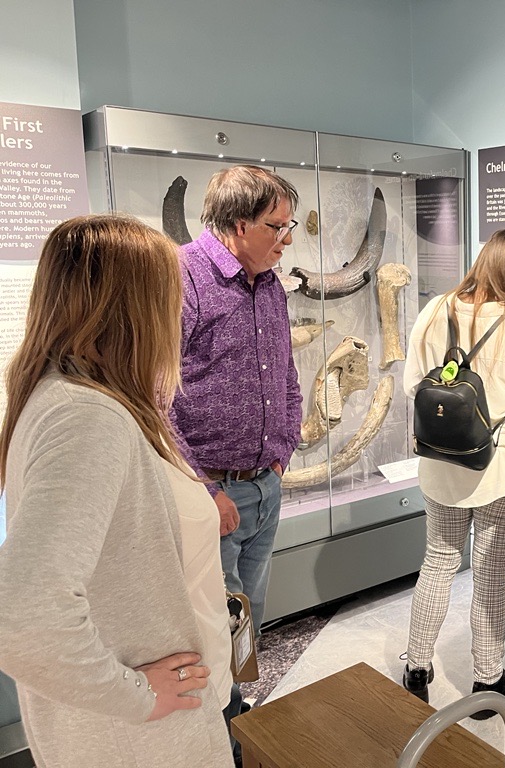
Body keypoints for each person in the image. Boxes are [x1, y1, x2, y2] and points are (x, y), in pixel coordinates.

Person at [0, 214, 234, 767]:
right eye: (170, 298)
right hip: (143, 741)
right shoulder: (87, 416)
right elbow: (21, 613)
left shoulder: (71, 398)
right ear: (137, 308)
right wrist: (135, 695)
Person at [401, 226, 505, 718]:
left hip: (442, 466)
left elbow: (413, 387)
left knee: (438, 562)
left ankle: (417, 672)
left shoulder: (435, 311)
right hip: (504, 472)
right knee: (491, 574)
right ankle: (489, 682)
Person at [169, 165, 303, 741]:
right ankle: (217, 729)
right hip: (213, 494)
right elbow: (155, 395)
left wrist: (281, 452)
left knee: (246, 619)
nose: (288, 238)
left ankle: (235, 712)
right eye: (278, 226)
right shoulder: (182, 277)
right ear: (239, 223)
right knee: (212, 622)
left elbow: (286, 372)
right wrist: (206, 490)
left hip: (264, 484)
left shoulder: (268, 282)